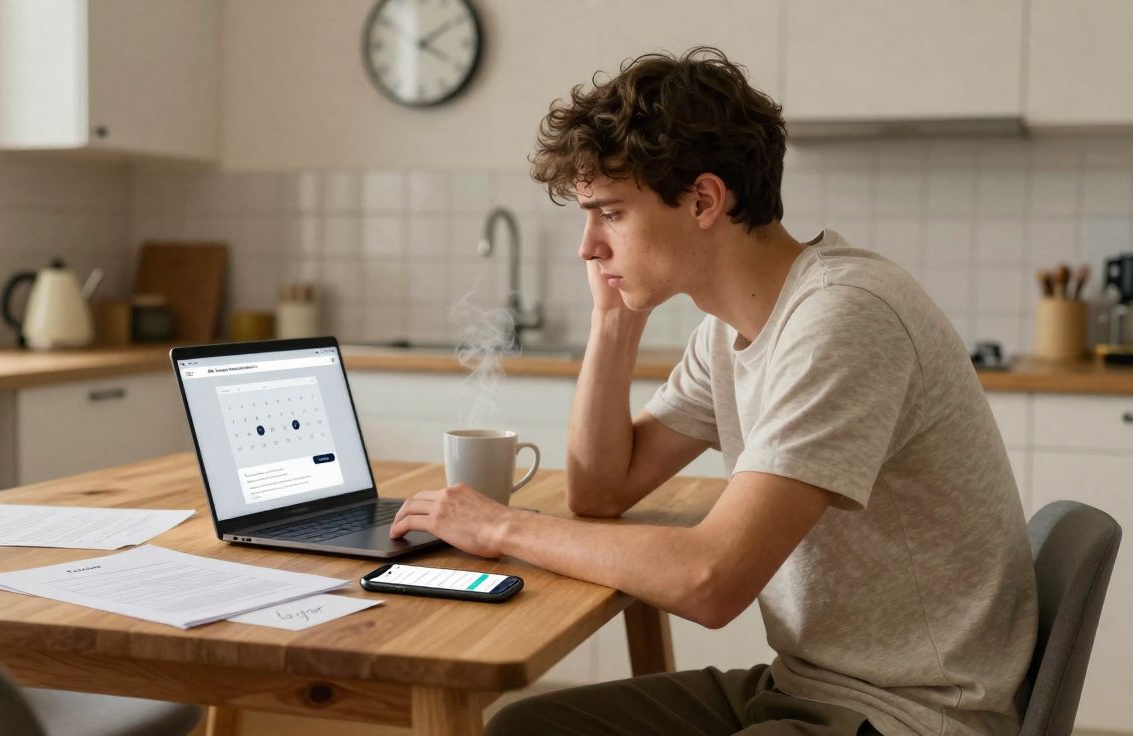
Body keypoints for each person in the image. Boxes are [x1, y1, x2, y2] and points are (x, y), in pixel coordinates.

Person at [388, 47, 1037, 736]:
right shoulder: (730, 330)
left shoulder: (842, 318)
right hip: (802, 686)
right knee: (525, 728)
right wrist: (613, 321)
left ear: (703, 199)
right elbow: (602, 489)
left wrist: (499, 526)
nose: (587, 246)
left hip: (910, 713)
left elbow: (710, 580)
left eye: (608, 213)